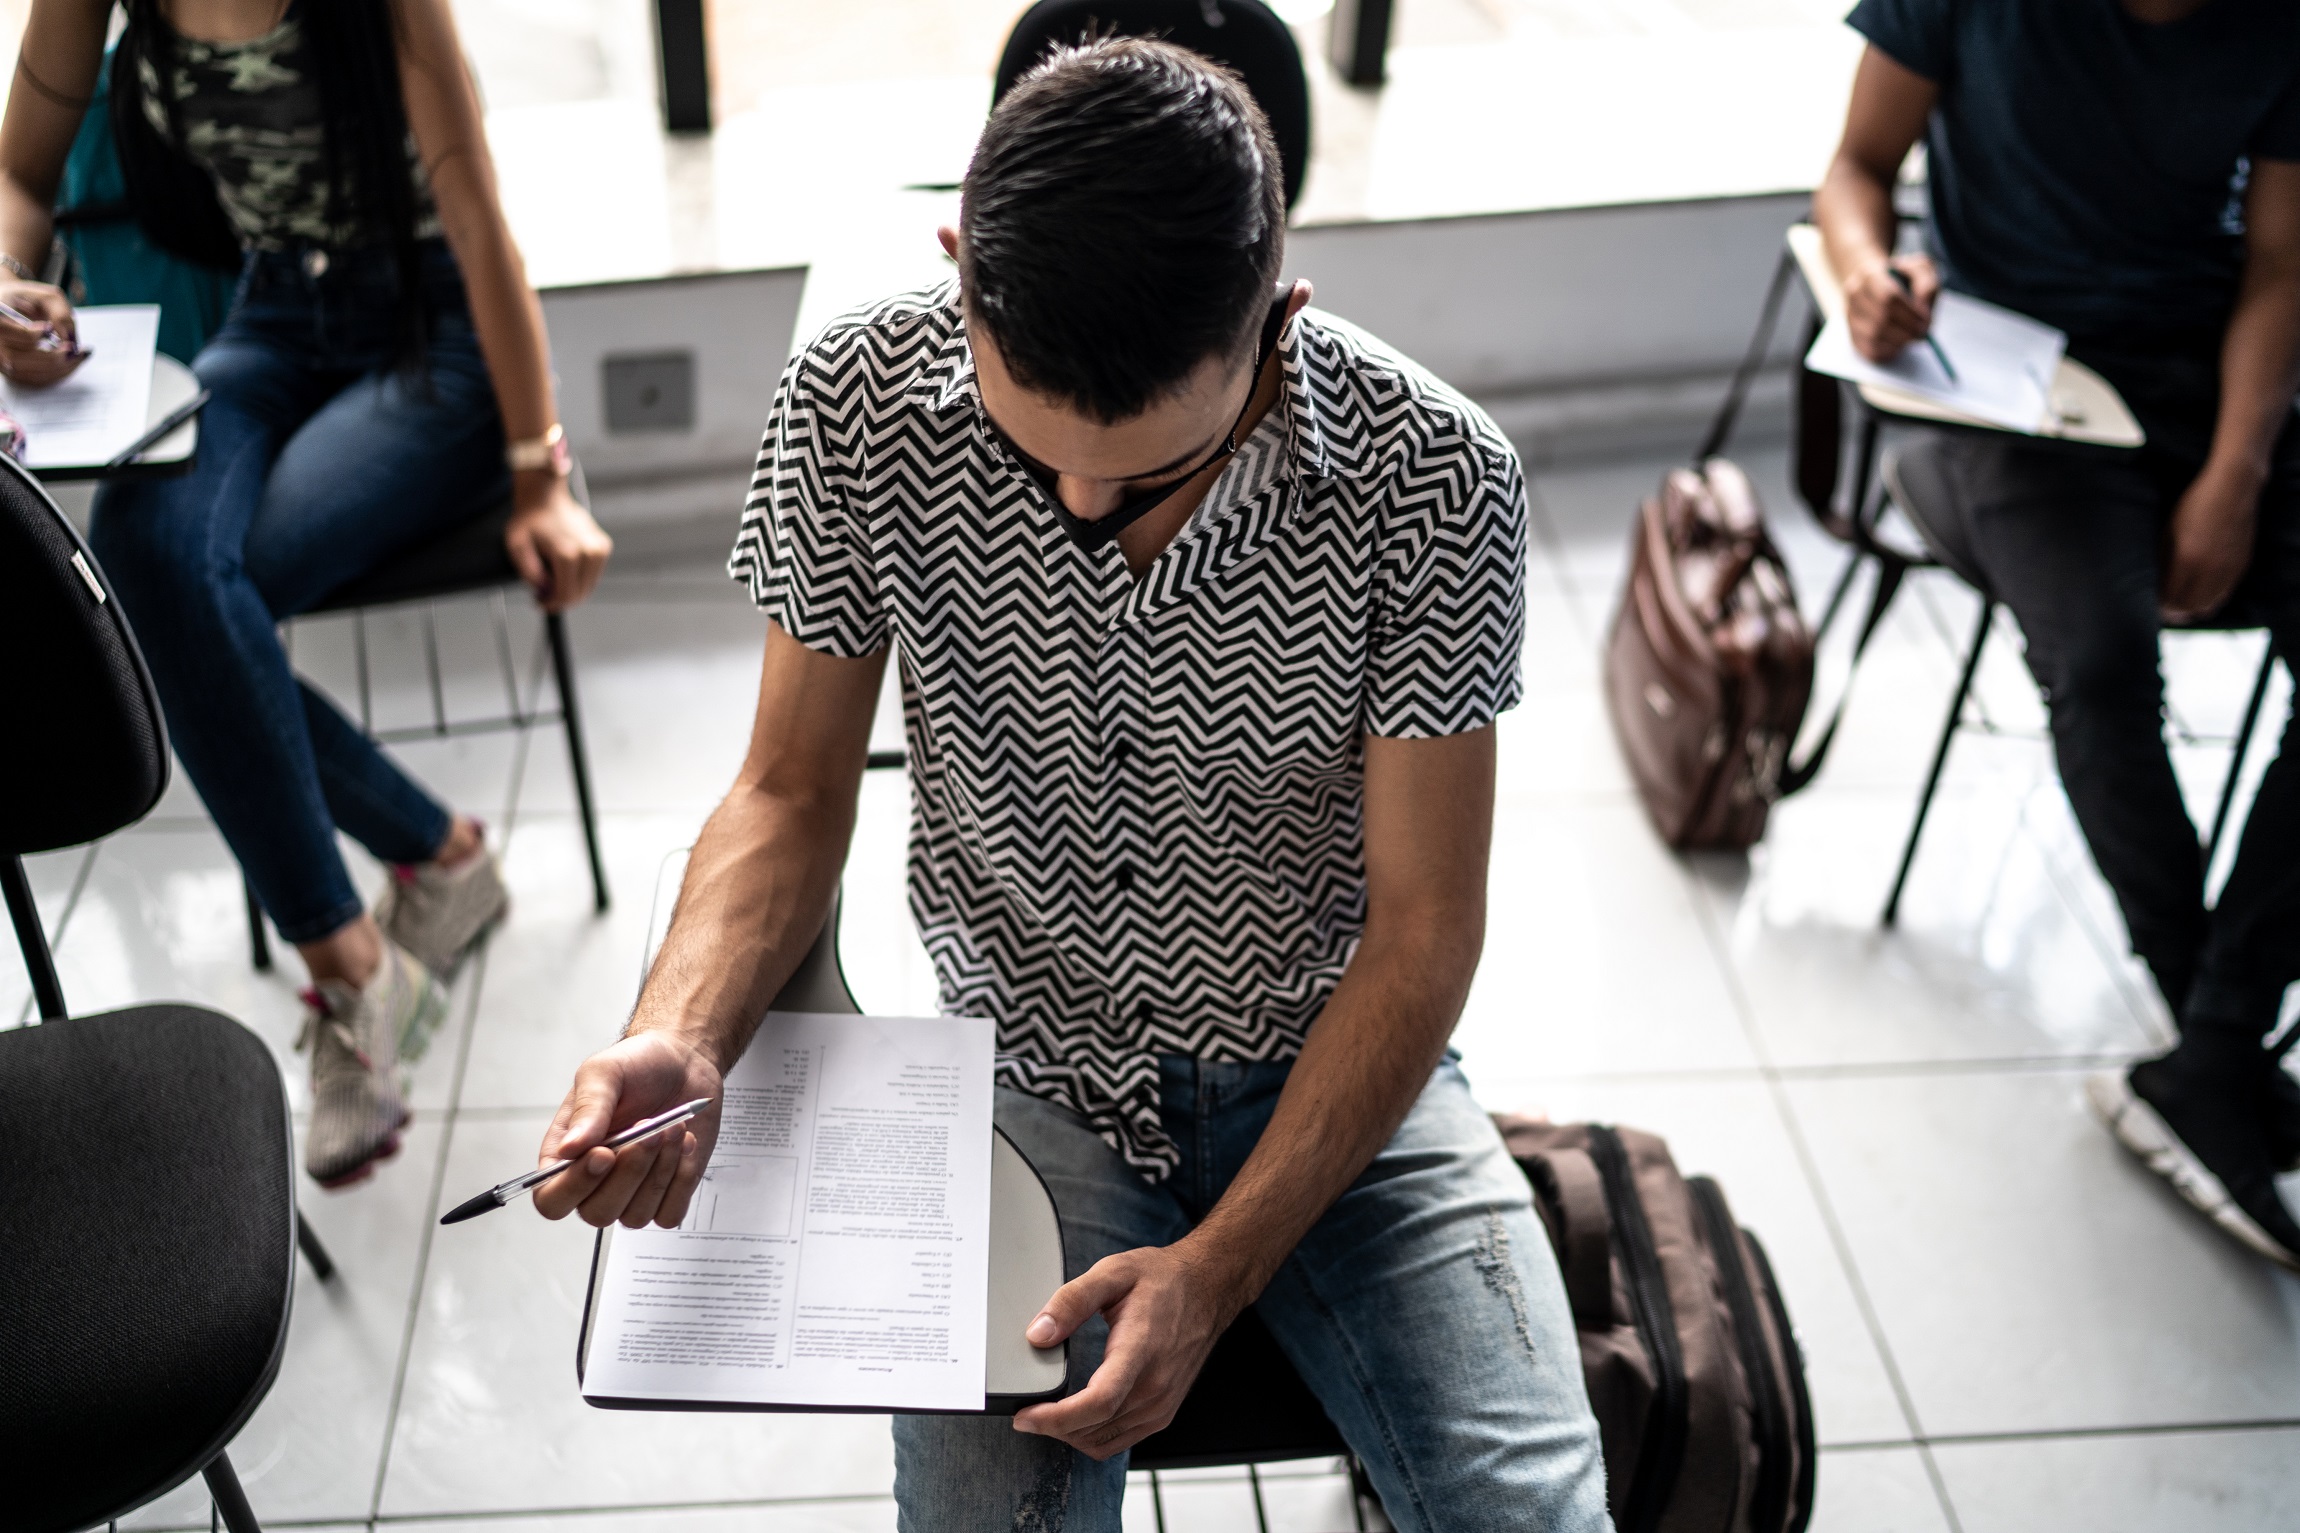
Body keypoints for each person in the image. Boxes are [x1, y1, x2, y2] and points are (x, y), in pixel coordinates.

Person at [532, 39, 1611, 1533]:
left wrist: (1220, 1267)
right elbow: (787, 793)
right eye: (1035, 461)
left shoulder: (1435, 479)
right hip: (1025, 1074)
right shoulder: (854, 401)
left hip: (1341, 1071)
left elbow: (1427, 930)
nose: (1087, 509)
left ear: (1276, 323)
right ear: (959, 266)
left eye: (1155, 473)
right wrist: (684, 1033)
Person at [0, 0, 613, 1187]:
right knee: (152, 558)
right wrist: (4, 276)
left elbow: (483, 228)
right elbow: (19, 167)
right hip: (275, 312)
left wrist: (541, 473)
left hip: (434, 330)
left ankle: (369, 964)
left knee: (183, 603)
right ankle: (401, 911)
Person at [1816, 0, 2300, 1266]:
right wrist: (1867, 273)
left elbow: (2280, 266)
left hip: (2202, 379)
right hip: (1990, 382)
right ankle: (2220, 1044)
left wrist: (2234, 476)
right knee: (2096, 664)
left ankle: (2208, 1049)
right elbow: (1857, 169)